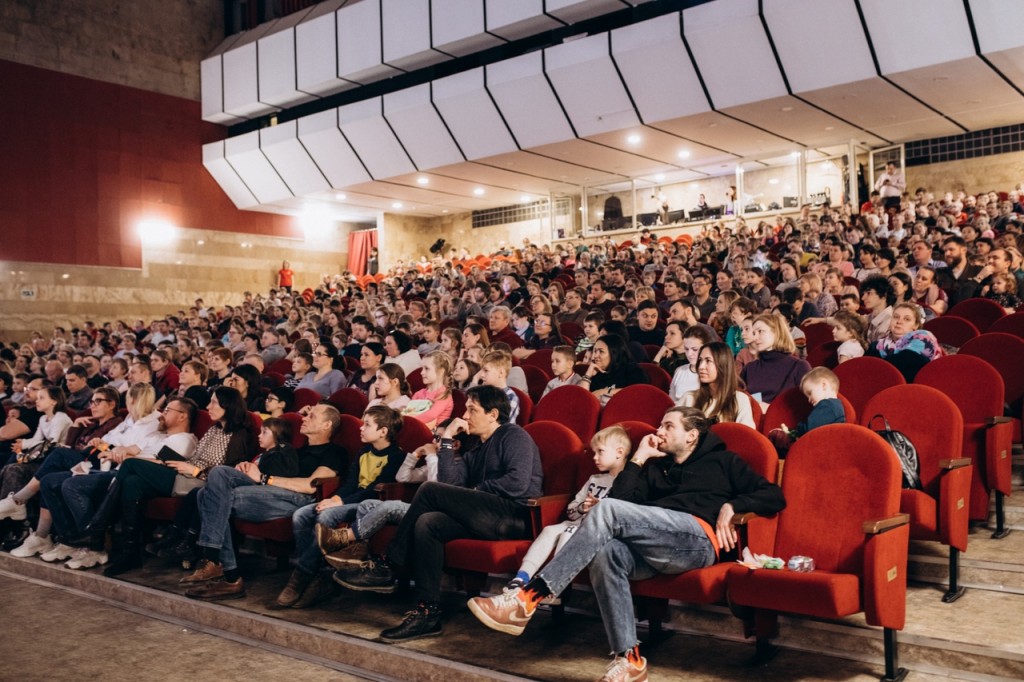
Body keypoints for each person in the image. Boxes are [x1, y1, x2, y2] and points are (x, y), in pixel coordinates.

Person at [467, 407, 785, 681]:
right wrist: (639, 458)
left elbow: (774, 495)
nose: (659, 431)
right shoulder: (656, 467)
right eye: (660, 425)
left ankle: (529, 597)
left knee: (606, 511)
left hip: (696, 540)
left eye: (668, 426)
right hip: (653, 544)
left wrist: (733, 507)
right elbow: (618, 506)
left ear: (691, 435)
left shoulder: (724, 462)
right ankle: (629, 658)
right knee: (606, 553)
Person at [333, 385, 543, 643]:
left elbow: (517, 483)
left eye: (472, 409)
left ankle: (388, 564)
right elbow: (451, 483)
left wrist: (474, 491)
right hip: (482, 515)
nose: (464, 415)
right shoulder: (475, 445)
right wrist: (446, 443)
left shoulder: (513, 435)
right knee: (427, 523)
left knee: (430, 490)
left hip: (513, 516)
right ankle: (427, 612)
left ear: (493, 414)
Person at [182, 404, 345, 601]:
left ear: (327, 424)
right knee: (219, 473)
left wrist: (264, 478)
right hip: (272, 493)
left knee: (208, 496)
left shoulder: (334, 451)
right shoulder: (296, 451)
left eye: (312, 416)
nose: (304, 418)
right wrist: (249, 469)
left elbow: (311, 487)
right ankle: (220, 563)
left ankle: (223, 568)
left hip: (298, 500)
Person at [39, 383, 196, 569]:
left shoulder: (184, 440)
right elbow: (132, 452)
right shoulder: (161, 437)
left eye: (168, 410)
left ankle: (95, 534)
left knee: (78, 483)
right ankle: (112, 547)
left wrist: (126, 457)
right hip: (127, 473)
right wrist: (119, 451)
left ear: (182, 416)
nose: (162, 413)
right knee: (52, 480)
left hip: (152, 477)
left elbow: (162, 464)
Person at [475, 425, 630, 601]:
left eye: (600, 452)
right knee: (550, 530)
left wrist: (601, 507)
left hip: (593, 532)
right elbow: (571, 510)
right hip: (576, 523)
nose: (594, 458)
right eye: (593, 452)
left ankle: (554, 586)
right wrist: (582, 508)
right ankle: (521, 578)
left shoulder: (627, 484)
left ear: (619, 452)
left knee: (567, 534)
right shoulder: (594, 480)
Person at [280, 406, 405, 608]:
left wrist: (338, 502)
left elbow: (375, 491)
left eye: (367, 424)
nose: (361, 428)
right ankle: (318, 576)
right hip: (350, 499)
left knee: (326, 517)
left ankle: (302, 576)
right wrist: (334, 498)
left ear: (383, 431)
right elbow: (350, 483)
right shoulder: (364, 452)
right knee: (301, 514)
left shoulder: (397, 456)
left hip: (371, 506)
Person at [768, 367, 846, 455]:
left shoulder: (827, 405)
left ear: (824, 385)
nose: (809, 399)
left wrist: (792, 432)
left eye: (810, 393)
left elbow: (809, 428)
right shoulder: (836, 405)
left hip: (822, 450)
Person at [681, 342, 757, 429]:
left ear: (723, 364)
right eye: (700, 360)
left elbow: (745, 436)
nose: (701, 366)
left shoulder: (740, 399)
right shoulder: (689, 397)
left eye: (708, 361)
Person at [741, 313, 810, 406]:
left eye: (760, 331)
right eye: (754, 333)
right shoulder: (749, 368)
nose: (755, 338)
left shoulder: (799, 367)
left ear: (776, 332)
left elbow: (805, 405)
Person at [866, 302, 943, 382]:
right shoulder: (878, 345)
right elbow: (863, 368)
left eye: (907, 319)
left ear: (915, 325)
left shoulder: (924, 338)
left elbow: (904, 362)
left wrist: (876, 366)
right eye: (896, 317)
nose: (899, 321)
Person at [580, 335, 646, 406]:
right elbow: (583, 401)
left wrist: (604, 391)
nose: (595, 356)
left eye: (601, 351)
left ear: (614, 353)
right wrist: (588, 375)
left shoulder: (632, 369)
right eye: (595, 351)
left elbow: (639, 391)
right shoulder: (596, 373)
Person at [405, 351, 454, 429]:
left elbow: (431, 415)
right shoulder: (418, 394)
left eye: (427, 368)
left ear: (441, 371)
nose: (421, 372)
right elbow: (408, 411)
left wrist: (406, 421)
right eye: (422, 368)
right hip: (414, 429)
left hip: (434, 435)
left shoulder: (444, 395)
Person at [668, 326, 713, 405]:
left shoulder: (713, 373)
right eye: (686, 349)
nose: (689, 354)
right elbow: (671, 401)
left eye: (695, 349)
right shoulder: (679, 371)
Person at [860, 276, 895, 344]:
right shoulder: (869, 317)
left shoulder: (890, 321)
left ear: (884, 296)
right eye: (863, 294)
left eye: (869, 293)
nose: (863, 298)